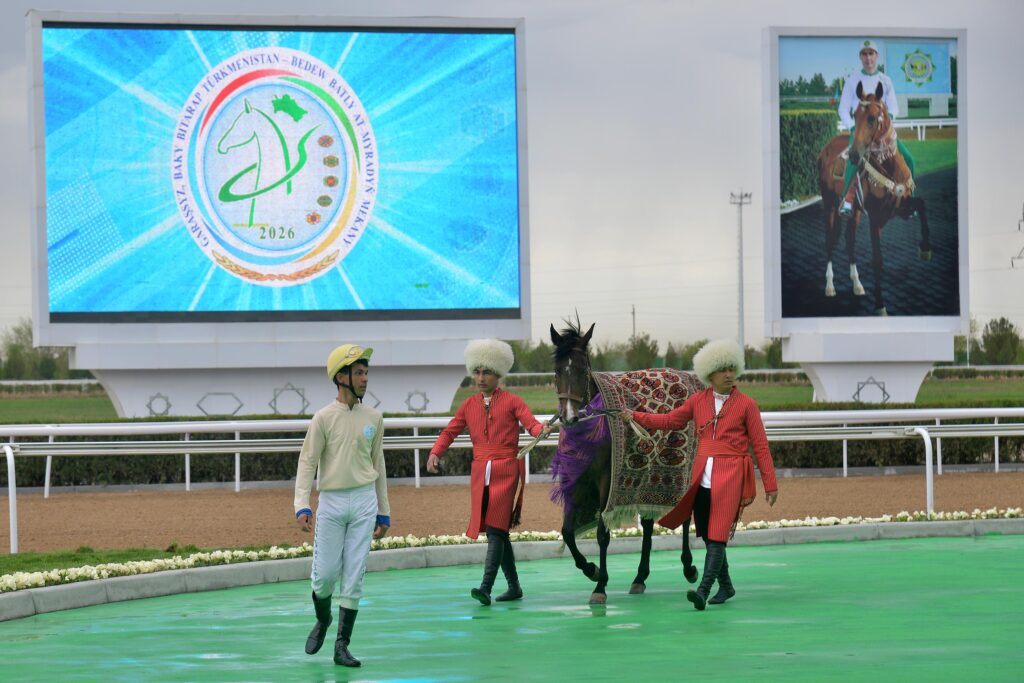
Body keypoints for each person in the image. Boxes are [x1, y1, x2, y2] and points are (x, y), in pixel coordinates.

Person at [623, 338, 778, 611]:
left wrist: (770, 483)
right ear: (710, 374)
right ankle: (727, 585)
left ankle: (703, 591)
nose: (729, 374)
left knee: (717, 534)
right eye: (723, 369)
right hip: (702, 476)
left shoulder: (747, 405)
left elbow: (761, 445)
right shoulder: (698, 401)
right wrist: (635, 416)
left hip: (732, 475)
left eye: (732, 368)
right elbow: (669, 421)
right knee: (707, 534)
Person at [426, 339, 550, 606]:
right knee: (499, 532)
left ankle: (485, 587)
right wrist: (436, 451)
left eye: (487, 372)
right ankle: (514, 586)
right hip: (480, 472)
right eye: (477, 372)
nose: (481, 378)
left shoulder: (514, 401)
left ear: (498, 374)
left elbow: (531, 424)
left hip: (506, 470)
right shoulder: (468, 405)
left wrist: (541, 430)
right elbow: (450, 430)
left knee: (495, 530)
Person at [294, 343, 391, 667]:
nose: (365, 379)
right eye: (359, 373)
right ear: (341, 377)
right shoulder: (322, 418)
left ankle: (342, 646)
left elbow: (378, 465)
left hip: (365, 501)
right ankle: (323, 619)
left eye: (366, 373)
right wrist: (302, 504)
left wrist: (384, 510)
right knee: (324, 578)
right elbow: (307, 463)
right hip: (332, 503)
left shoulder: (374, 418)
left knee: (354, 577)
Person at [837, 39, 916, 215]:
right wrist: (852, 127)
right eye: (864, 54)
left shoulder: (885, 81)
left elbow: (894, 107)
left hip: (882, 131)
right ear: (860, 57)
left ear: (877, 56)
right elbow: (842, 109)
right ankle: (846, 201)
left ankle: (909, 200)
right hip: (861, 131)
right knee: (853, 160)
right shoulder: (852, 80)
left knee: (910, 159)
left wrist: (887, 122)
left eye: (871, 53)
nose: (868, 58)